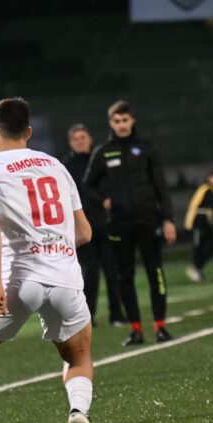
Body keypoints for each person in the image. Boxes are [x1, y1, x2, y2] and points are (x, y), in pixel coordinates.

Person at [0, 98, 103, 423]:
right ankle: (79, 411)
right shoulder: (57, 166)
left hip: (20, 280)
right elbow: (84, 233)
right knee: (78, 355)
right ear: (29, 132)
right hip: (66, 278)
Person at [84, 100, 176, 346]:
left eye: (125, 120)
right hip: (120, 224)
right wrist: (103, 200)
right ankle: (135, 330)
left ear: (132, 120)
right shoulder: (103, 152)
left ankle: (160, 327)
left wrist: (168, 218)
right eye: (117, 121)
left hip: (148, 221)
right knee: (124, 277)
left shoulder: (147, 149)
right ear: (111, 123)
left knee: (155, 272)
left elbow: (161, 186)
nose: (122, 125)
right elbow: (88, 184)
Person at [64, 124, 125, 326]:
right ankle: (89, 316)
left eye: (83, 137)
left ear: (90, 139)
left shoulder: (101, 160)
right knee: (89, 273)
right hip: (83, 225)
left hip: (106, 222)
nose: (80, 141)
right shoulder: (66, 167)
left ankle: (116, 314)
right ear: (71, 143)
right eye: (76, 138)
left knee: (112, 270)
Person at [184, 170, 213, 282]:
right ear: (210, 178)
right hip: (199, 220)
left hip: (205, 221)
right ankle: (196, 268)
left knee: (210, 245)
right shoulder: (206, 190)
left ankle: (196, 268)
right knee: (201, 246)